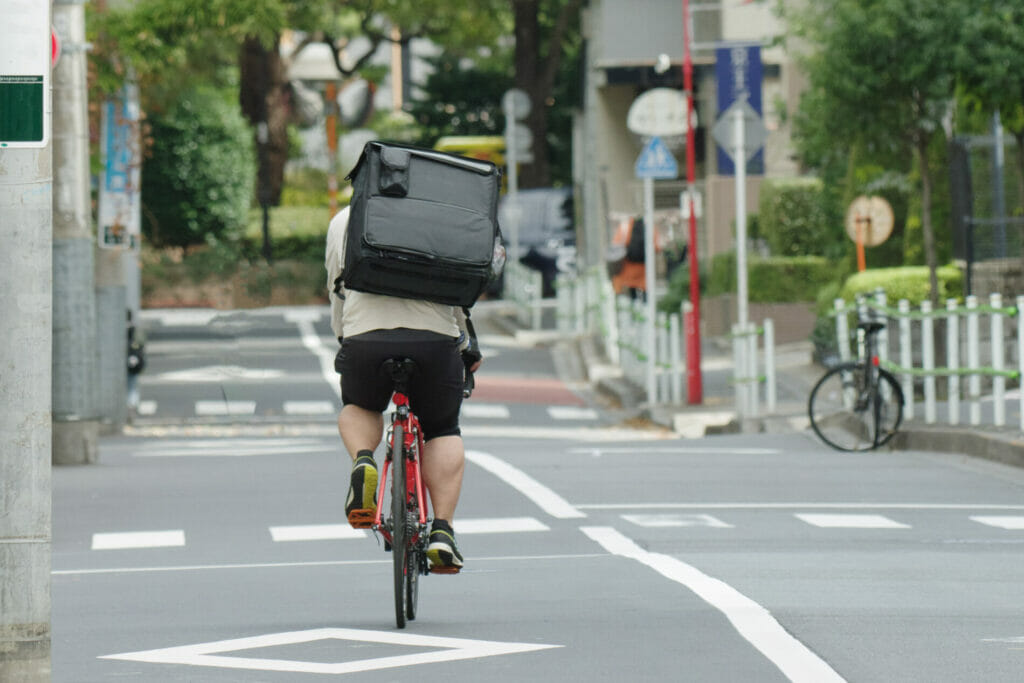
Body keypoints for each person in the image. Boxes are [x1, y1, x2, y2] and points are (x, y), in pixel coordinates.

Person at [325, 205, 481, 573]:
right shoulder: (440, 215)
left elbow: (337, 286)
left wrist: (345, 337)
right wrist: (465, 346)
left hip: (365, 337)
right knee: (442, 427)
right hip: (434, 341)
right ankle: (442, 532)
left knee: (360, 406)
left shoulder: (346, 219)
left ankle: (364, 459)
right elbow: (458, 289)